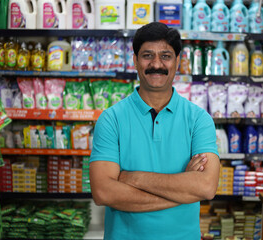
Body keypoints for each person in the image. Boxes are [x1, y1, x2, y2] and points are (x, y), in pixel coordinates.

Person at [89, 22, 220, 240]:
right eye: (147, 55)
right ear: (135, 61)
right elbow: (103, 192)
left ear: (177, 61)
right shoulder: (111, 119)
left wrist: (134, 178)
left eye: (166, 56)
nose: (156, 64)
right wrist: (182, 192)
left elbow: (206, 187)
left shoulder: (199, 120)